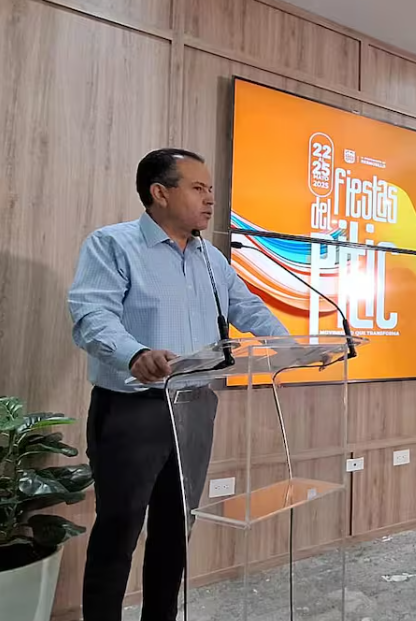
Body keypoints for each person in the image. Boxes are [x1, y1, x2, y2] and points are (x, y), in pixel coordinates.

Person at [68, 149, 290, 621]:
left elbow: (246, 307)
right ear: (160, 193)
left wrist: (291, 345)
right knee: (119, 528)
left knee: (175, 528)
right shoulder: (113, 245)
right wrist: (135, 354)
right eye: (198, 188)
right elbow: (92, 315)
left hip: (195, 406)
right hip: (133, 409)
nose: (210, 199)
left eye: (211, 189)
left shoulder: (212, 258)